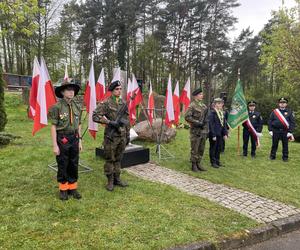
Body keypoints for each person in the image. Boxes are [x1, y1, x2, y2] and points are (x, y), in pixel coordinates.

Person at [92, 80, 130, 191]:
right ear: (112, 91)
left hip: (122, 136)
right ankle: (110, 181)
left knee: (118, 158)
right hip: (111, 137)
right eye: (116, 89)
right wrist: (108, 122)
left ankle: (117, 179)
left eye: (120, 89)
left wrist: (127, 134)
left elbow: (126, 120)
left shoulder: (123, 103)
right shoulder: (106, 103)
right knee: (110, 159)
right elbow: (95, 116)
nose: (119, 91)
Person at [48, 81, 82, 201]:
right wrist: (55, 145)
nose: (71, 92)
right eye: (68, 90)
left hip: (74, 138)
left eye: (73, 90)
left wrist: (80, 141)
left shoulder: (77, 106)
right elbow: (53, 126)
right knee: (63, 163)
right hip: (62, 138)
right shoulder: (56, 107)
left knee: (74, 162)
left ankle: (73, 187)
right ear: (62, 92)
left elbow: (79, 124)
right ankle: (63, 188)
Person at [184, 88, 208, 172]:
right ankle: (193, 165)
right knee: (195, 148)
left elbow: (206, 118)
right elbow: (187, 117)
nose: (202, 95)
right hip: (195, 131)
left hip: (203, 131)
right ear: (195, 96)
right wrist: (197, 122)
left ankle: (198, 163)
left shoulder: (204, 106)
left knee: (201, 148)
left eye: (202, 94)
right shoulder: (192, 105)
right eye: (200, 94)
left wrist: (206, 128)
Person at [268, 97, 295, 162]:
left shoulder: (289, 112)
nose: (282, 104)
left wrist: (290, 131)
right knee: (274, 144)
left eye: (284, 103)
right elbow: (270, 121)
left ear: (286, 104)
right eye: (281, 103)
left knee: (285, 145)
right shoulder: (274, 112)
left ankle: (285, 157)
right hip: (275, 130)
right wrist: (270, 130)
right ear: (279, 104)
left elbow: (292, 122)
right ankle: (272, 156)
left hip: (285, 131)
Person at [208, 98, 228, 168]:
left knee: (219, 148)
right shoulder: (212, 113)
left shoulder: (222, 113)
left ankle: (217, 161)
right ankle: (213, 162)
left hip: (220, 133)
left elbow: (224, 124)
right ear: (215, 104)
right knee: (213, 148)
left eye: (221, 103)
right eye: (218, 103)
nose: (220, 105)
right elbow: (211, 125)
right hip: (214, 134)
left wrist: (225, 134)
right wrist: (213, 135)